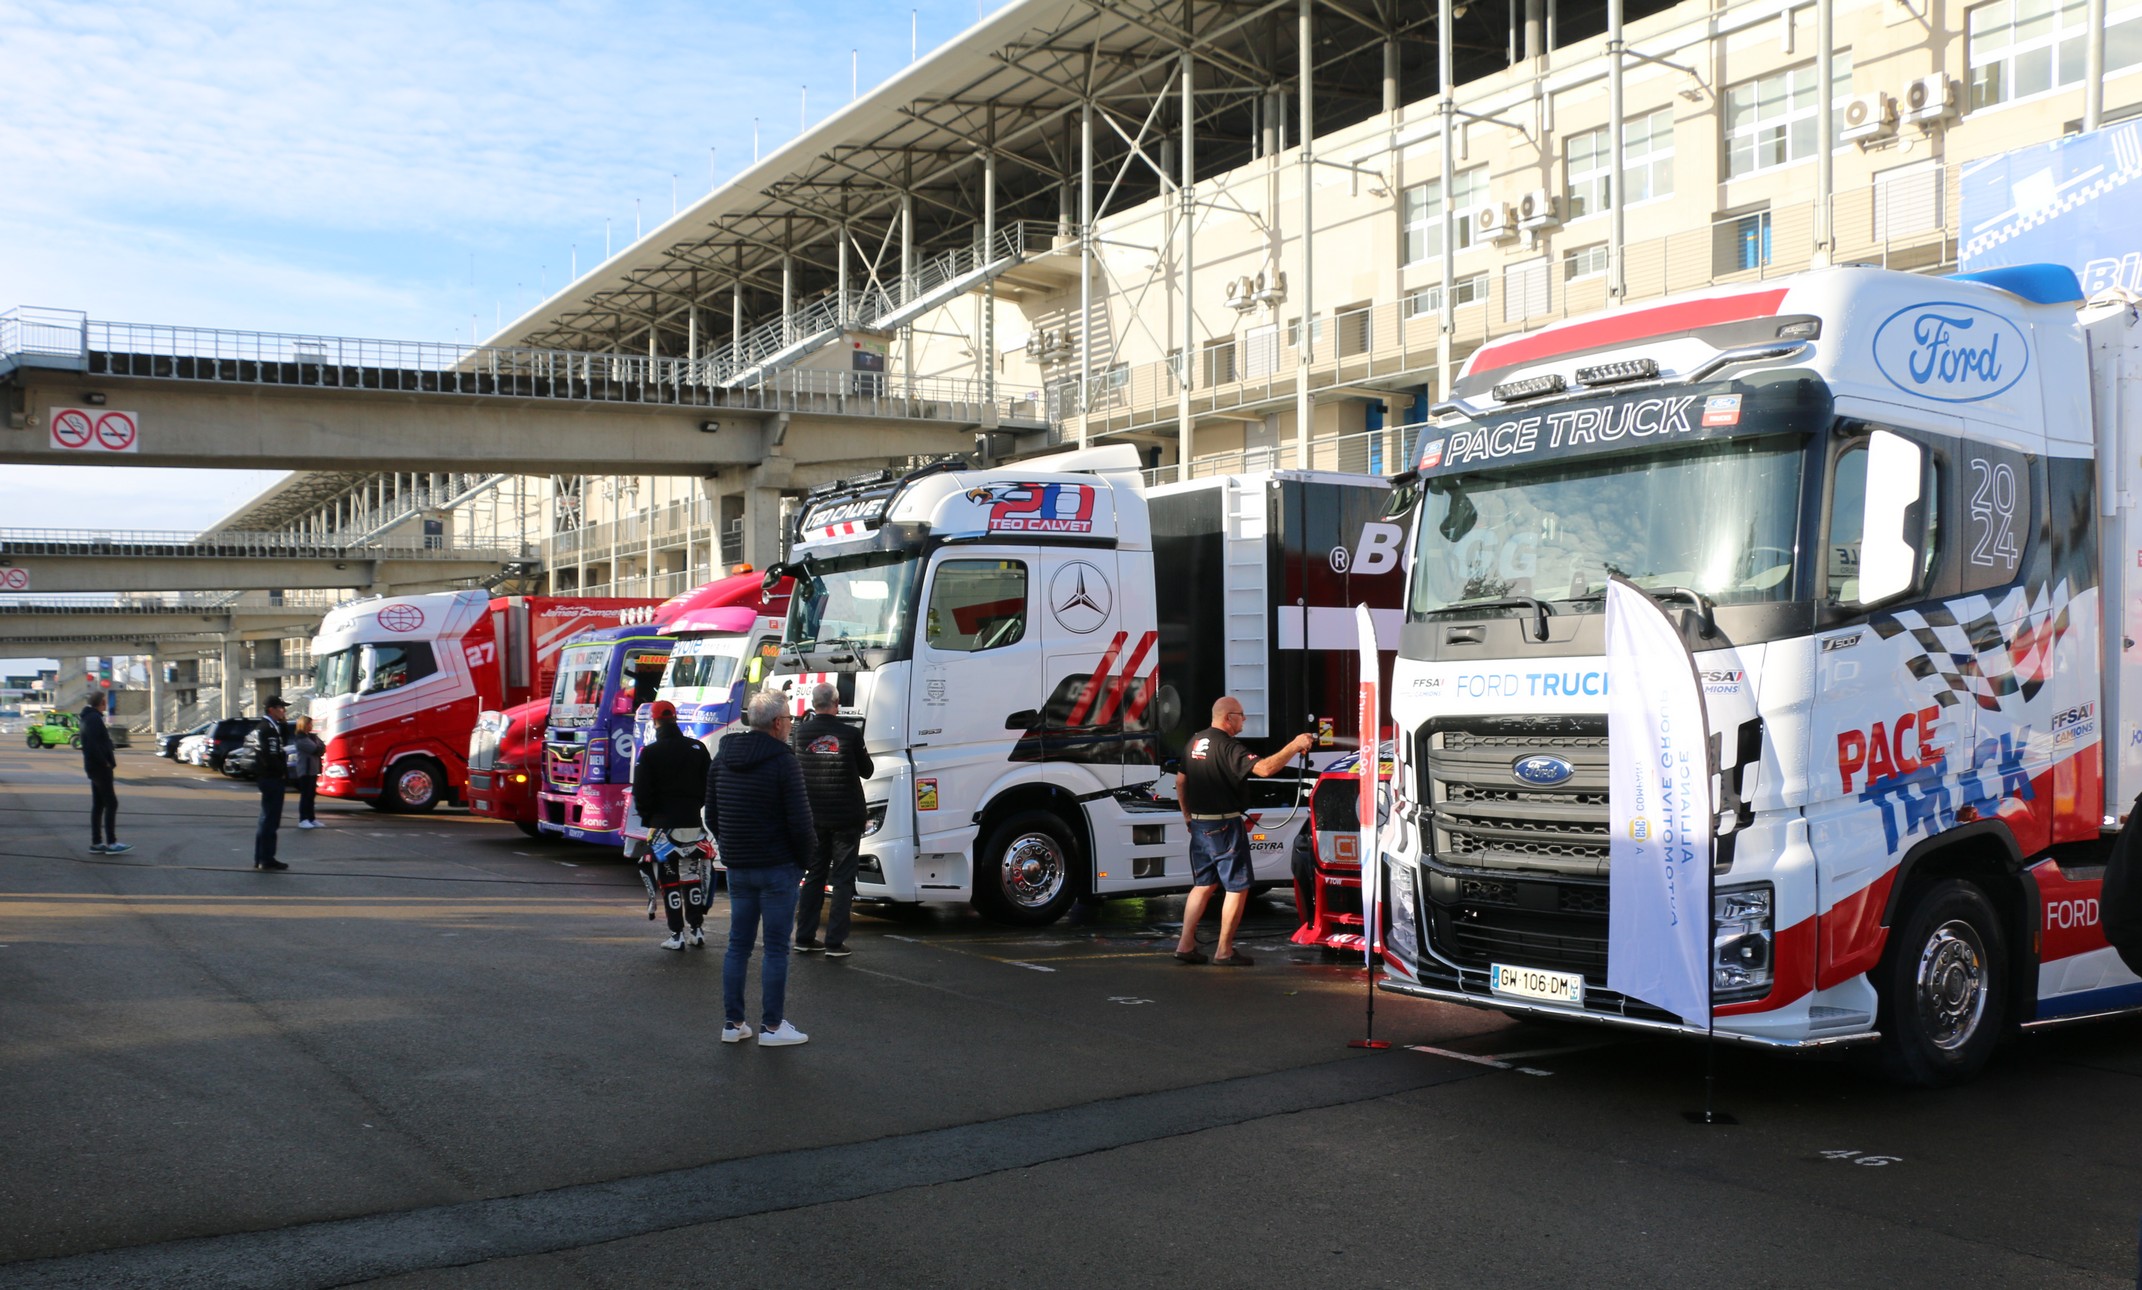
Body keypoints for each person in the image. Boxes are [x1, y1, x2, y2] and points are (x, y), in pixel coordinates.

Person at [707, 689, 815, 1046]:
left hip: (738, 864)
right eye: (789, 719)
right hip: (778, 865)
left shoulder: (722, 757)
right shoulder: (784, 762)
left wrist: (731, 846)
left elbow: (712, 813)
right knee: (775, 948)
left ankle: (733, 1023)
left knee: (738, 945)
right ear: (779, 723)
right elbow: (801, 822)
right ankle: (772, 1027)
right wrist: (805, 861)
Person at [1173, 696, 1314, 967]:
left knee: (1202, 886)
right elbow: (1265, 768)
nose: (1244, 719)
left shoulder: (1194, 742)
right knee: (1237, 888)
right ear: (1228, 718)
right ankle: (1224, 951)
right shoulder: (1228, 746)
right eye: (1241, 715)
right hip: (1225, 826)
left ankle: (1185, 945)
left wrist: (1188, 816)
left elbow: (1181, 781)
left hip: (1201, 826)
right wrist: (1295, 745)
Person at [790, 682, 873, 958]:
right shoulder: (850, 734)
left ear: (814, 704)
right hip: (846, 817)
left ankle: (804, 937)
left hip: (812, 816)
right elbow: (868, 771)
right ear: (836, 704)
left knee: (814, 875)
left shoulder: (799, 734)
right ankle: (835, 942)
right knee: (843, 879)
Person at [632, 699, 714, 951]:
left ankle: (676, 934)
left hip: (663, 825)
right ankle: (697, 930)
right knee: (691, 875)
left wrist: (649, 817)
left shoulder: (651, 753)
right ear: (675, 718)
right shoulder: (697, 748)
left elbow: (642, 793)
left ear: (655, 721)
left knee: (669, 879)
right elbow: (708, 786)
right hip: (692, 821)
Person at [80, 692, 129, 855]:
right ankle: (112, 843)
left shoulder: (89, 717)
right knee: (111, 803)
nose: (106, 704)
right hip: (99, 768)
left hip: (94, 767)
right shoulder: (94, 718)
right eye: (105, 702)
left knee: (99, 804)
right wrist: (105, 762)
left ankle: (96, 842)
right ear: (101, 703)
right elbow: (93, 744)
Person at [252, 697, 293, 871]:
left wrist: (282, 725)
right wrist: (281, 772)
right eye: (280, 708)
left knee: (267, 818)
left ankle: (262, 857)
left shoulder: (271, 727)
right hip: (271, 778)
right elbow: (271, 756)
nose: (283, 711)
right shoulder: (267, 729)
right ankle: (266, 858)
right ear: (271, 710)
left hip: (269, 777)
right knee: (270, 819)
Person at [289, 716, 327, 829]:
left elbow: (322, 747)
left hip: (313, 770)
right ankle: (303, 819)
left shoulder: (311, 737)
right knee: (306, 795)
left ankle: (311, 818)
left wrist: (319, 746)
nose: (312, 726)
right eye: (310, 724)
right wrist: (318, 746)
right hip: (305, 770)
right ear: (304, 725)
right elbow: (315, 749)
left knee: (311, 796)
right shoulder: (300, 738)